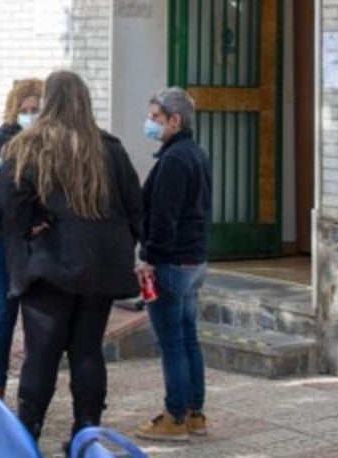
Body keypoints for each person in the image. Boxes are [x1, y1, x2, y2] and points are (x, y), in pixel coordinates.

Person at [0, 70, 142, 448]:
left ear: (49, 101)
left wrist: (35, 229)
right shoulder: (108, 147)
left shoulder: (29, 146)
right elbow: (136, 208)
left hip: (50, 267)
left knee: (42, 353)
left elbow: (5, 211)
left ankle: (27, 433)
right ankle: (86, 433)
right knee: (87, 350)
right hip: (102, 268)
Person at [135, 87, 211, 442]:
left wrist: (149, 256)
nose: (149, 124)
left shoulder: (175, 160)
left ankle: (175, 415)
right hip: (194, 259)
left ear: (175, 120)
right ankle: (195, 412)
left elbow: (164, 216)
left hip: (171, 262)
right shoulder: (194, 153)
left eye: (155, 118)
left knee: (173, 344)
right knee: (188, 338)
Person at [0, 77, 44, 397]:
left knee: (36, 314)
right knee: (4, 311)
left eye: (35, 109)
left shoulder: (50, 140)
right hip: (1, 237)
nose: (29, 114)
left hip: (37, 238)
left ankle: (32, 387)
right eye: (25, 109)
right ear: (14, 108)